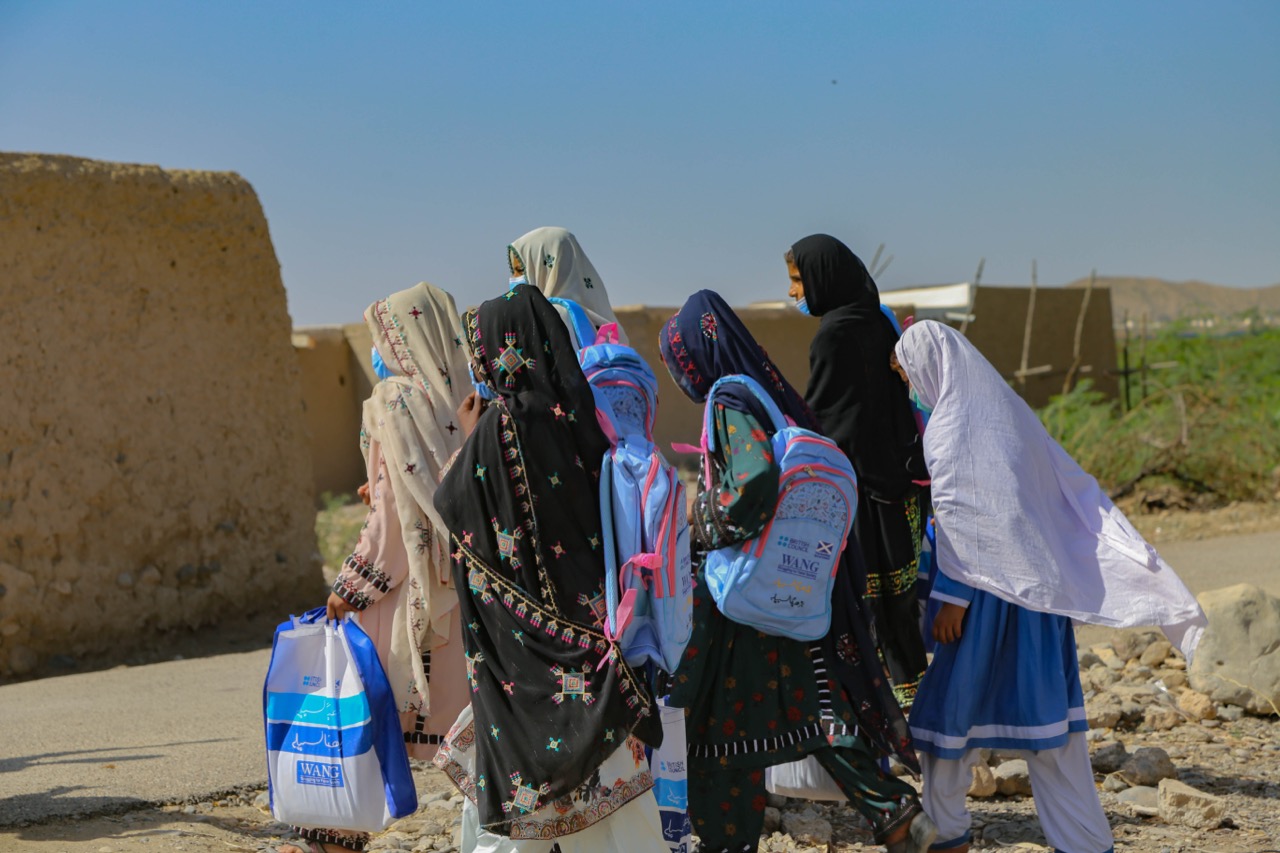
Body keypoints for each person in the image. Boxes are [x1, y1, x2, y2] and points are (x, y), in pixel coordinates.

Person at [893, 320, 1208, 853]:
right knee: (1051, 732)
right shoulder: (1006, 416)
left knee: (947, 724)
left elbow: (964, 519)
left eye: (907, 372)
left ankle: (946, 835)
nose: (909, 385)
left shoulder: (952, 428)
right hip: (1033, 598)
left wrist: (952, 598)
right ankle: (1084, 841)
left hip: (982, 600)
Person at [659, 290, 935, 853]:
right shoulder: (764, 391)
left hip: (738, 595)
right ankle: (898, 816)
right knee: (808, 706)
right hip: (787, 586)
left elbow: (752, 485)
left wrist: (698, 525)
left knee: (716, 721)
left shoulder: (727, 399)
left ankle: (726, 841)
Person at [431, 285, 666, 852]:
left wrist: (467, 442)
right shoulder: (580, 414)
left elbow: (455, 515)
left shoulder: (495, 430)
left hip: (522, 664)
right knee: (619, 815)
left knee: (520, 816)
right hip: (595, 652)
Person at [278, 282, 472, 853]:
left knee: (358, 717)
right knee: (471, 732)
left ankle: (335, 839)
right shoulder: (467, 396)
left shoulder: (393, 401)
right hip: (465, 589)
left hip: (402, 595)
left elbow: (393, 516)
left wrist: (349, 586)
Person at [786, 234, 929, 707]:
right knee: (901, 614)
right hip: (903, 491)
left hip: (860, 498)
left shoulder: (834, 335)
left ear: (823, 278)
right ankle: (921, 711)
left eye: (797, 281)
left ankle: (872, 722)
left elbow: (827, 423)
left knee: (858, 615)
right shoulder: (880, 322)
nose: (793, 294)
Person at [507, 226, 628, 345]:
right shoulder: (601, 321)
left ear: (543, 268)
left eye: (520, 270)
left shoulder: (550, 315)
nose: (515, 277)